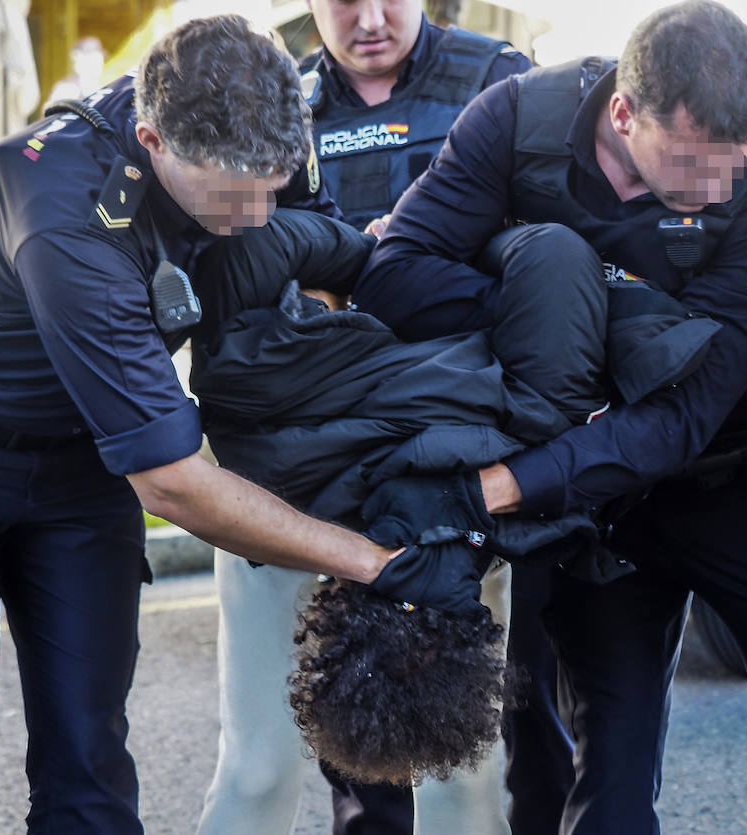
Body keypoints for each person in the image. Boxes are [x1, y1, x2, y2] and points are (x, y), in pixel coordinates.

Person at [0, 16, 483, 834]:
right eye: (233, 193)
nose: (258, 211)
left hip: (79, 460)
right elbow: (173, 480)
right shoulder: (64, 214)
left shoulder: (267, 120)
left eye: (273, 182)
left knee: (89, 751)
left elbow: (312, 257)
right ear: (152, 139)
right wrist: (369, 562)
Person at [355, 1, 747, 832]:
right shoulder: (517, 121)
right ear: (622, 113)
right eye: (689, 165)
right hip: (590, 505)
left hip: (732, 468)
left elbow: (681, 415)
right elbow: (393, 277)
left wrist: (506, 481)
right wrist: (550, 305)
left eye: (734, 162)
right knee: (606, 776)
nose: (716, 189)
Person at [193, 2, 547, 833]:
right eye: (344, 0)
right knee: (262, 765)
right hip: (291, 467)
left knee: (463, 768)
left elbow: (542, 259)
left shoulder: (497, 79)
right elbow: (230, 269)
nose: (372, 18)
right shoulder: (267, 92)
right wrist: (346, 274)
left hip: (447, 464)